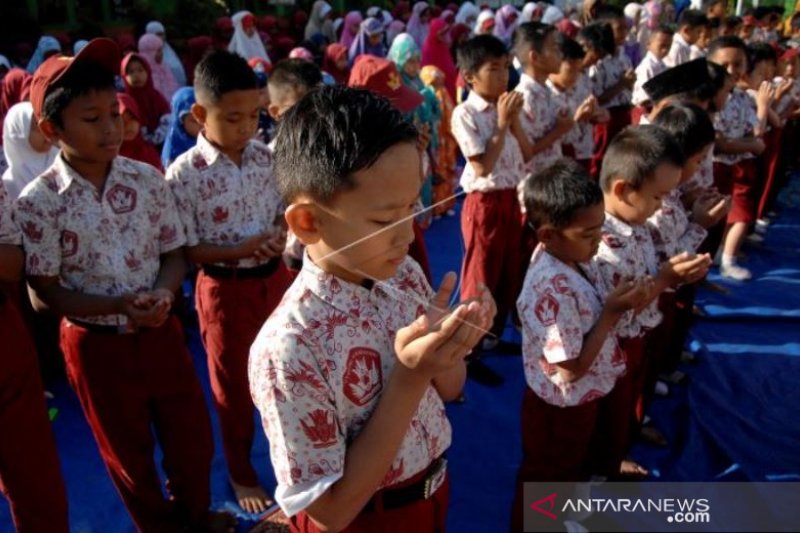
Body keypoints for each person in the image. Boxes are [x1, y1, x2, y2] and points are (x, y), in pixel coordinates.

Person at [249, 83, 494, 532]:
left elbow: (452, 389)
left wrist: (454, 343)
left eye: (413, 206)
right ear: (308, 221)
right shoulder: (289, 349)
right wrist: (411, 375)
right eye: (385, 220)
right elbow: (329, 512)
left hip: (432, 492)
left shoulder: (400, 274)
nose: (408, 233)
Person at [15, 38, 232, 532]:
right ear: (52, 129)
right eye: (92, 120)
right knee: (127, 455)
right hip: (96, 348)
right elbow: (42, 291)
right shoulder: (38, 202)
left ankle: (195, 516)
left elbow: (173, 253)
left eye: (114, 114)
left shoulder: (146, 178)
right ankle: (158, 526)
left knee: (190, 437)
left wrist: (162, 292)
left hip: (158, 332)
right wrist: (115, 305)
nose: (111, 128)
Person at [166, 49, 291, 515]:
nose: (246, 127)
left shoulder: (266, 158)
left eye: (254, 115)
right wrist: (239, 250)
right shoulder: (183, 175)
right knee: (233, 386)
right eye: (232, 117)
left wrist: (278, 236)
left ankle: (292, 457)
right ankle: (241, 471)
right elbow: (186, 250)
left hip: (274, 280)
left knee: (285, 370)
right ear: (200, 115)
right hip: (222, 290)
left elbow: (281, 213)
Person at [510, 160, 649, 532]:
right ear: (548, 236)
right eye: (588, 234)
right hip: (560, 406)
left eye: (600, 229)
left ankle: (568, 511)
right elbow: (569, 367)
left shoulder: (567, 257)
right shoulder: (551, 289)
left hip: (582, 398)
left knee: (574, 463)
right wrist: (610, 314)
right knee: (549, 474)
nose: (599, 241)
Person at [590, 126, 711, 472]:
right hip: (613, 349)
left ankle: (615, 456)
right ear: (623, 190)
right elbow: (625, 308)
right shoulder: (602, 242)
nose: (661, 207)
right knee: (606, 421)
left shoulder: (635, 222)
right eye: (657, 197)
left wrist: (675, 271)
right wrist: (667, 278)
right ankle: (599, 477)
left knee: (626, 407)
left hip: (637, 340)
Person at [451, 35, 528, 385]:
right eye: (493, 69)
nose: (503, 76)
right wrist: (500, 124)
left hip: (512, 198)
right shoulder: (466, 114)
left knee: (508, 273)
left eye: (506, 67)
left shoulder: (505, 106)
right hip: (485, 203)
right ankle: (465, 352)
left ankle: (491, 338)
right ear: (470, 77)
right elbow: (482, 167)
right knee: (480, 278)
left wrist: (512, 122)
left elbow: (525, 151)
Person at [708, 36, 771, 280]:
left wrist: (749, 142)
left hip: (733, 166)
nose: (731, 71)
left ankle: (719, 256)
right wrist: (749, 145)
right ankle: (724, 260)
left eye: (738, 64)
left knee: (729, 214)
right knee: (710, 218)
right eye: (724, 65)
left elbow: (755, 133)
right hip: (710, 168)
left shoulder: (743, 98)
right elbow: (718, 142)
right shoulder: (707, 98)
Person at [548, 34, 608, 173]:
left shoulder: (580, 86)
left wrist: (596, 114)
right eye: (571, 70)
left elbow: (596, 111)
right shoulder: (546, 95)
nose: (576, 76)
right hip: (557, 159)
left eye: (579, 70)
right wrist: (577, 118)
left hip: (584, 150)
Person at [2, 102, 59, 199]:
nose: (45, 132)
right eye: (36, 127)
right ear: (20, 132)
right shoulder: (9, 184)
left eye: (46, 125)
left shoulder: (63, 163)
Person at [421, 65, 458, 217]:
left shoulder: (442, 93)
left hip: (444, 140)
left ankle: (446, 204)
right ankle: (437, 207)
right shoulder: (426, 95)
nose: (438, 82)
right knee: (437, 173)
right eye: (434, 80)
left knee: (446, 173)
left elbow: (449, 117)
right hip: (435, 140)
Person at [120, 52, 171, 146]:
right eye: (131, 72)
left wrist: (156, 137)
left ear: (148, 72)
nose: (136, 75)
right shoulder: (123, 101)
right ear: (124, 76)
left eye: (140, 70)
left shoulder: (156, 96)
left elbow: (167, 117)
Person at [632, 26, 673, 124]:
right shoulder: (646, 67)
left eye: (668, 46)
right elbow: (644, 98)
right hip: (646, 112)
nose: (665, 50)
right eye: (662, 46)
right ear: (649, 44)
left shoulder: (662, 65)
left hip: (658, 109)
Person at [117, 93, 163, 172]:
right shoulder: (106, 158)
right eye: (122, 120)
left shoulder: (148, 153)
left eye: (133, 118)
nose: (129, 125)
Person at [162, 87, 200, 169]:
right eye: (194, 121)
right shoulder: (173, 153)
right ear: (180, 122)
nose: (201, 125)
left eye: (202, 118)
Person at [422, 17, 459, 101]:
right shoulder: (428, 49)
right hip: (439, 90)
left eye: (445, 32)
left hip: (450, 85)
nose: (444, 35)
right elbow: (426, 73)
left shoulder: (443, 46)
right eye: (441, 33)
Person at [138, 33, 180, 103]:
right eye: (158, 51)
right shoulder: (144, 72)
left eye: (161, 50)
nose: (161, 53)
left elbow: (174, 87)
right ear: (149, 53)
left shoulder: (164, 67)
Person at [145, 21, 188, 86]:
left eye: (163, 34)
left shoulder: (168, 50)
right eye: (157, 34)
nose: (161, 37)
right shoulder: (146, 54)